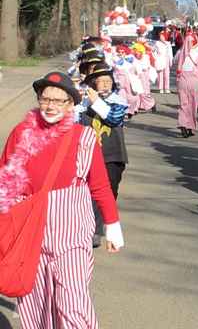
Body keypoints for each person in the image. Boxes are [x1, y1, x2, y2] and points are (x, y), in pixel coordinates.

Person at [0, 71, 124, 327]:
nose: (51, 106)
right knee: (35, 302)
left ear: (70, 105)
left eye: (59, 101)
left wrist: (112, 225)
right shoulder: (21, 133)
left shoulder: (84, 137)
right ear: (38, 100)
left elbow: (100, 185)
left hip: (72, 232)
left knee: (73, 300)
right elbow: (4, 181)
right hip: (29, 232)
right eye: (46, 99)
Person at [81, 62, 129, 247]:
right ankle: (92, 229)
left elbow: (113, 118)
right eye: (100, 81)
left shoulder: (119, 101)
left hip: (113, 156)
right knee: (88, 193)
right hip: (89, 155)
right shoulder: (84, 103)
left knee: (109, 192)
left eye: (108, 80)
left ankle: (104, 224)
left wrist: (96, 103)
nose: (105, 84)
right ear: (93, 84)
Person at [175, 32, 198, 138]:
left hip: (182, 81)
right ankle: (190, 126)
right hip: (194, 81)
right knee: (193, 104)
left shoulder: (181, 52)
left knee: (183, 104)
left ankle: (182, 123)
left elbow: (174, 61)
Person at [131, 43, 156, 113]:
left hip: (143, 78)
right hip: (136, 78)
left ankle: (152, 104)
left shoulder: (145, 57)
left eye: (137, 51)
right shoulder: (133, 58)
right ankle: (136, 107)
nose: (136, 52)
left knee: (144, 93)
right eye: (135, 51)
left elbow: (145, 68)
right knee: (136, 93)